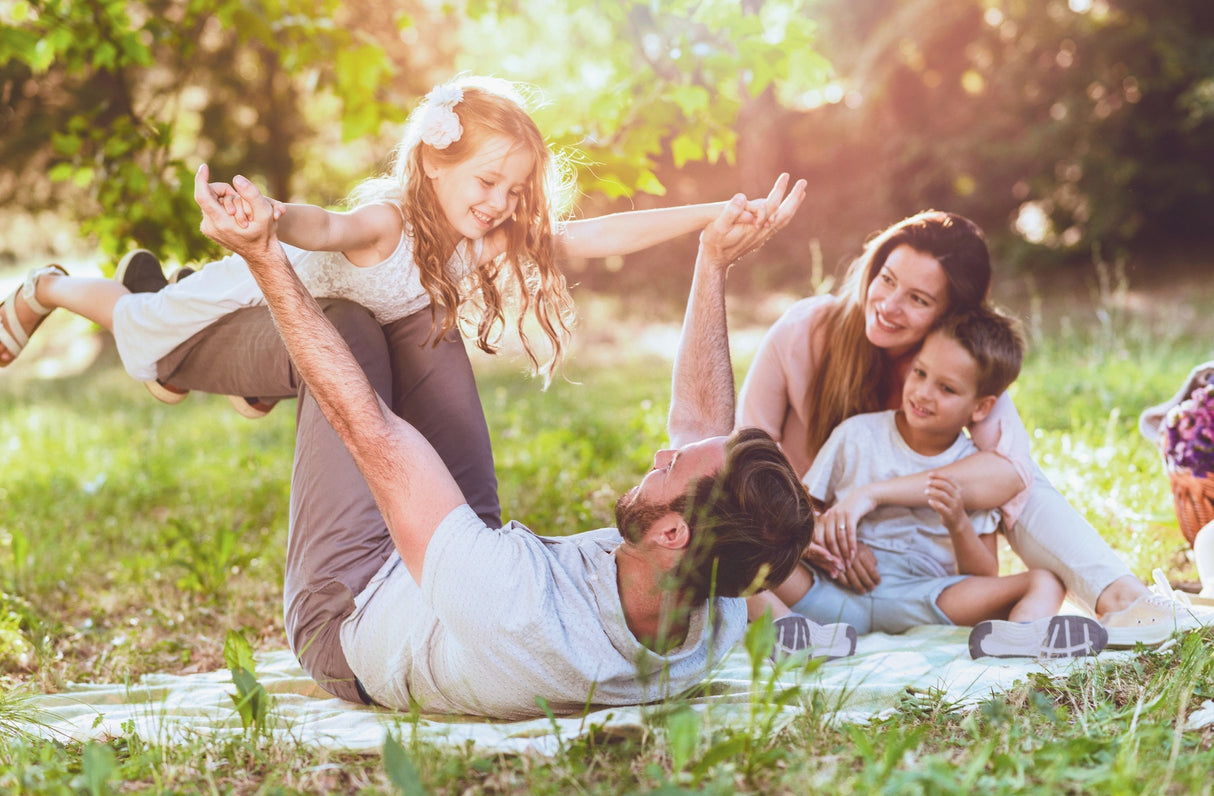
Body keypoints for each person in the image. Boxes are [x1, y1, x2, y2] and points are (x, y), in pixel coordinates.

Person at [188, 163, 836, 718]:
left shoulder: (518, 609)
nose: (663, 454)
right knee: (424, 311)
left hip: (352, 605)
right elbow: (704, 430)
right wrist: (714, 261)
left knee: (350, 329)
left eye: (671, 468)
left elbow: (368, 428)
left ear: (672, 533)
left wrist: (264, 256)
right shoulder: (711, 600)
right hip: (460, 558)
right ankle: (257, 365)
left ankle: (170, 359)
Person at [0, 75, 770, 419]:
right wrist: (272, 216)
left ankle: (233, 366)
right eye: (488, 181)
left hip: (301, 324)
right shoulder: (389, 221)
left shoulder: (479, 240)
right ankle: (48, 287)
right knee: (144, 337)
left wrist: (718, 214)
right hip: (251, 288)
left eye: (514, 191)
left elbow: (593, 237)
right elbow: (326, 227)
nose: (500, 204)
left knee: (239, 385)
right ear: (433, 160)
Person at [737, 210, 1211, 648]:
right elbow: (744, 460)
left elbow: (1010, 475)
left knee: (1025, 483)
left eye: (918, 299)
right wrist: (813, 531)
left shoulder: (954, 360)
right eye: (887, 279)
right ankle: (790, 634)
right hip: (809, 548)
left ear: (950, 315)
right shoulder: (805, 330)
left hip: (918, 581)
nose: (888, 306)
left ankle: (1122, 599)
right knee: (729, 541)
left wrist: (874, 495)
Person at [762, 308, 1108, 658]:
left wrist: (957, 521)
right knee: (744, 558)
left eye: (946, 388)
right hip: (835, 590)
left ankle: (1020, 638)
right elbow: (801, 518)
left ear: (981, 407)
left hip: (928, 596)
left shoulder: (971, 469)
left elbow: (983, 573)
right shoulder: (856, 435)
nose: (924, 393)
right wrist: (828, 546)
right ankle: (792, 632)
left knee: (1045, 580)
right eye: (920, 373)